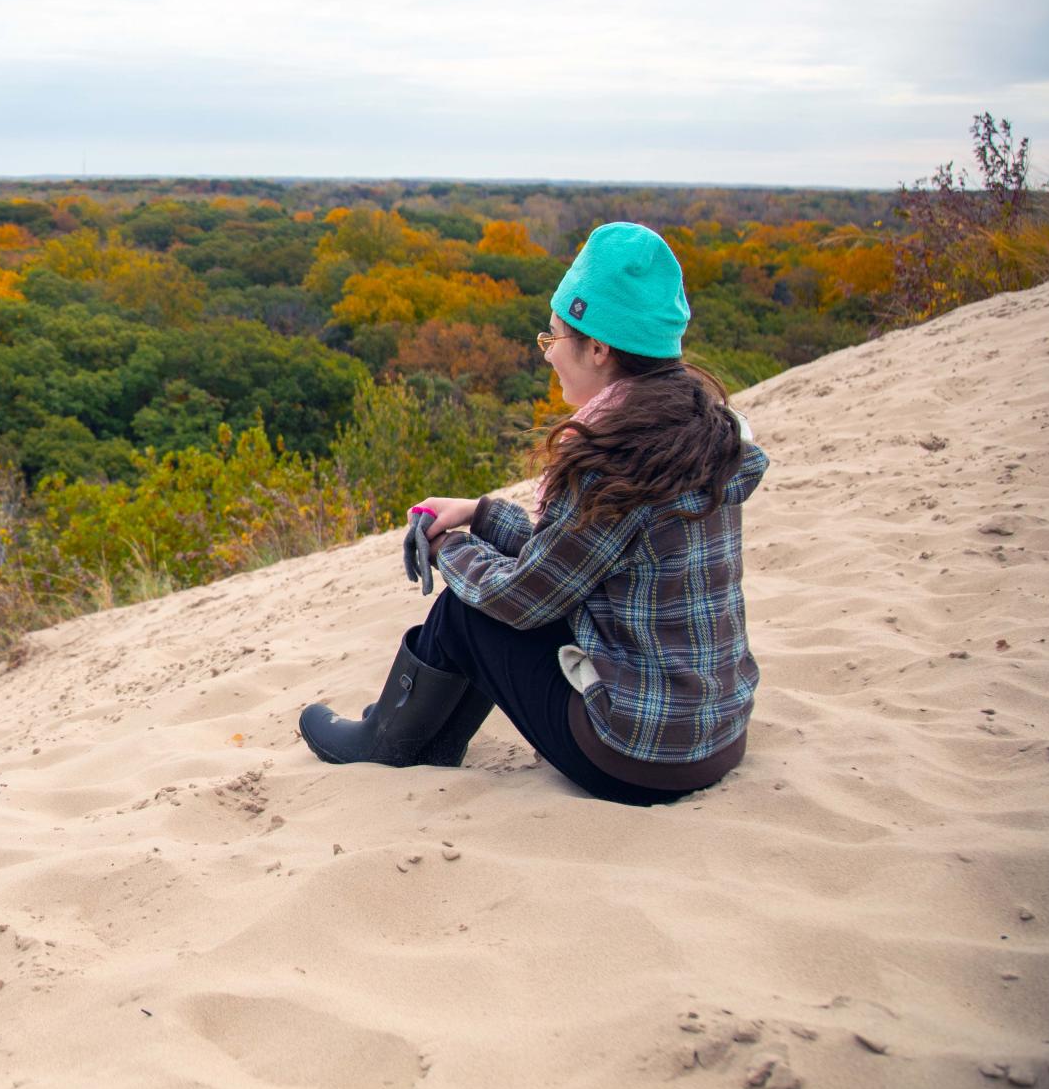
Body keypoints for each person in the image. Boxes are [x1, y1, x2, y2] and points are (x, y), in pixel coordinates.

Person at [298, 221, 767, 806]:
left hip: (636, 756)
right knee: (480, 591)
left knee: (471, 610)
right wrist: (480, 514)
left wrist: (449, 549)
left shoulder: (615, 459)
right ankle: (424, 745)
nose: (549, 357)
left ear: (598, 346)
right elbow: (580, 558)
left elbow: (526, 601)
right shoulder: (692, 435)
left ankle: (385, 743)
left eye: (553, 338)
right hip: (713, 734)